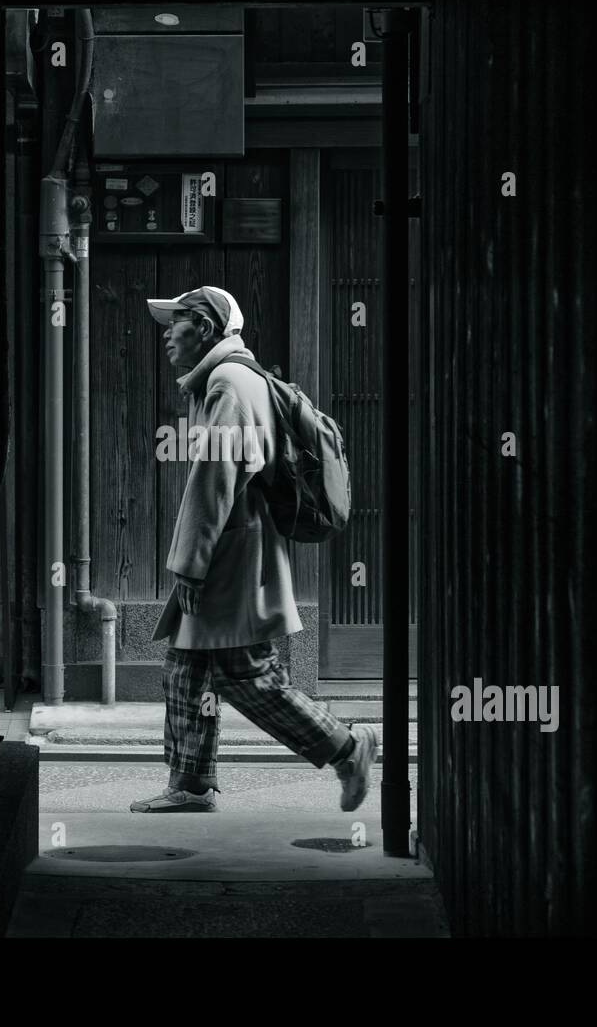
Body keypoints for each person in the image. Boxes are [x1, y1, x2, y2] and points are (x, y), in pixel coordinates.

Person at [130, 285, 379, 814]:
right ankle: (192, 783)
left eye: (173, 323)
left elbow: (214, 480)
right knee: (186, 667)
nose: (167, 335)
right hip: (235, 549)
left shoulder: (228, 383)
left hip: (232, 558)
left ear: (203, 326)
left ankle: (346, 747)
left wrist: (190, 566)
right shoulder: (226, 380)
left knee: (249, 677)